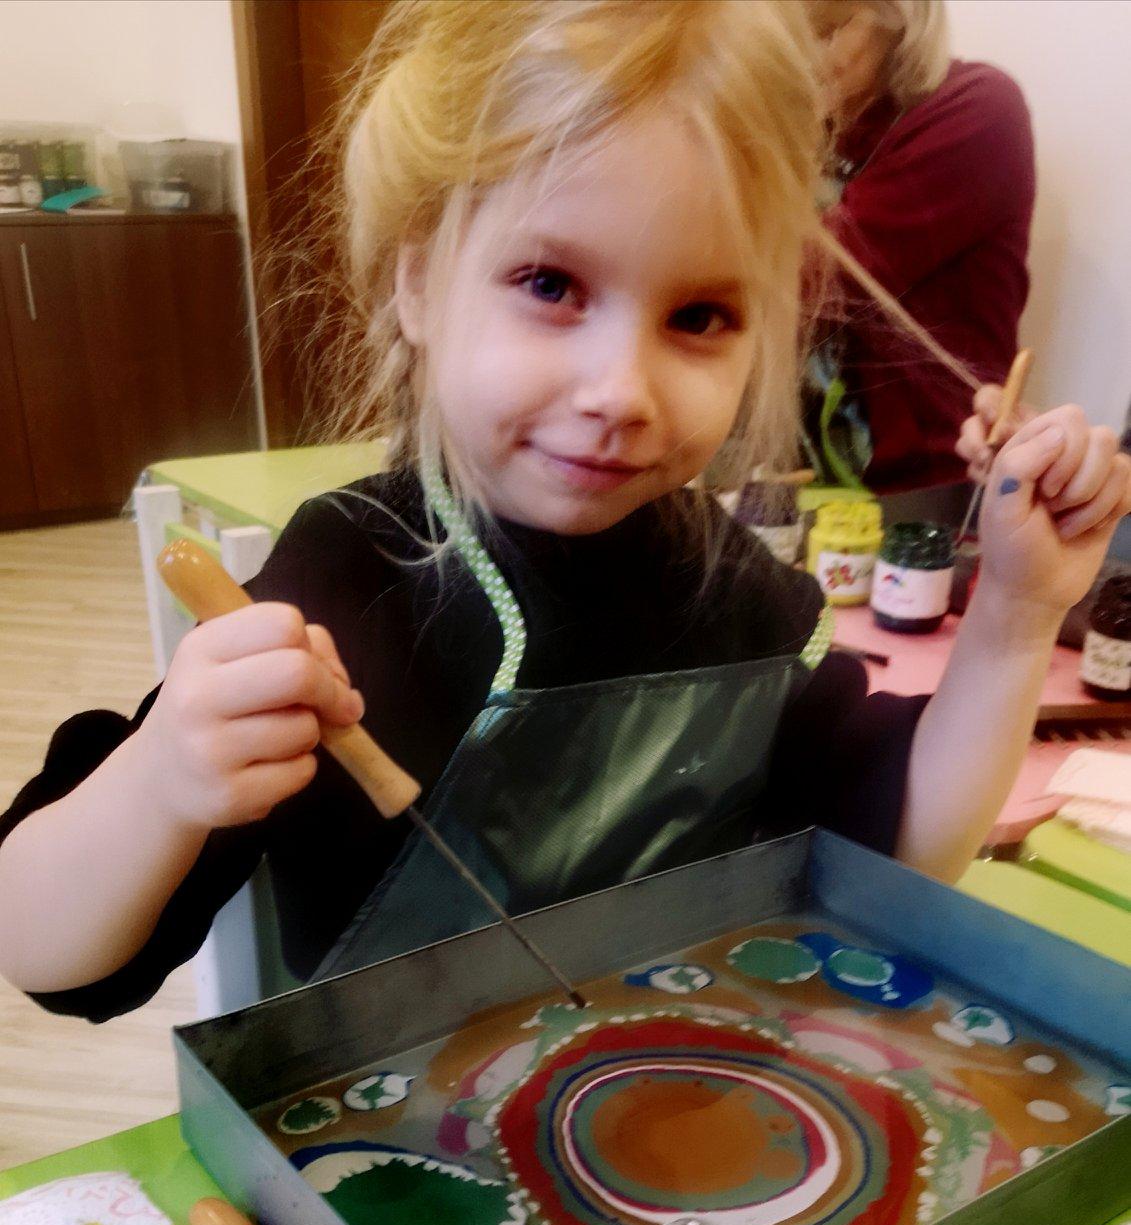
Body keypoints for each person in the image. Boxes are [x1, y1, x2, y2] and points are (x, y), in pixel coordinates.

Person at [0, 0, 1126, 1023]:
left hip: (670, 1111)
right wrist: (163, 779)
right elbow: (45, 951)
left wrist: (1018, 613)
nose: (621, 392)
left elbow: (908, 852)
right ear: (416, 282)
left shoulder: (744, 599)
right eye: (550, 285)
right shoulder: (344, 581)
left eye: (699, 315)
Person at [807, 0, 1036, 490]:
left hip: (933, 487)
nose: (797, 58)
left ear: (899, 17)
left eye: (826, 31)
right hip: (813, 483)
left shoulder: (979, 106)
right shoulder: (818, 134)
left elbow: (809, 282)